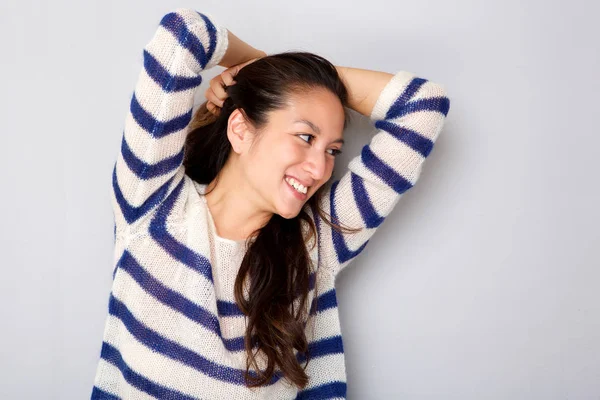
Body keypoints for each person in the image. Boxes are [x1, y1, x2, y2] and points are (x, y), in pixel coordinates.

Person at [91, 7, 450, 400]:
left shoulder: (317, 244)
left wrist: (302, 78)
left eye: (332, 149)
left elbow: (422, 108)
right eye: (305, 137)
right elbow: (184, 34)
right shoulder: (152, 204)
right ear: (241, 130)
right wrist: (262, 67)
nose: (320, 168)